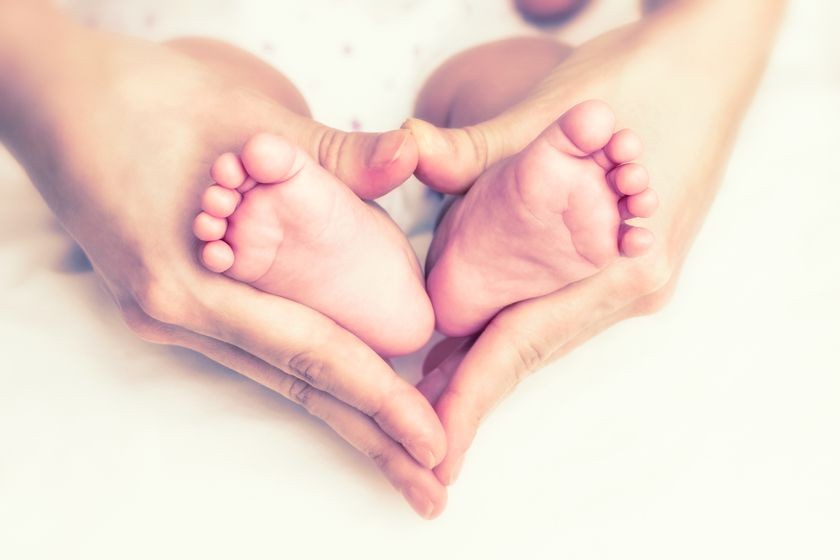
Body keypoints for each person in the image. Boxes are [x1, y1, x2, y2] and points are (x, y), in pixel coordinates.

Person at [0, 0, 784, 519]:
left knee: (525, 78)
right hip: (188, 75)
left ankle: (490, 212)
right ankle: (356, 247)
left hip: (457, 49)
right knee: (222, 85)